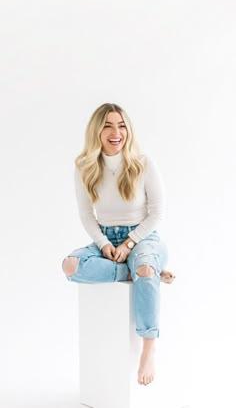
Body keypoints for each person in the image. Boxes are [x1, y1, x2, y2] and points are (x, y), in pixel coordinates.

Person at [62, 102, 176, 387]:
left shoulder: (143, 164)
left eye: (121, 125)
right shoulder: (84, 166)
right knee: (70, 266)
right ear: (97, 131)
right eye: (108, 126)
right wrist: (103, 245)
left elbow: (157, 213)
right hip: (106, 240)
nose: (116, 132)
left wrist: (130, 243)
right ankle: (134, 272)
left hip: (143, 238)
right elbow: (87, 215)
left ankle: (149, 348)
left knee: (146, 266)